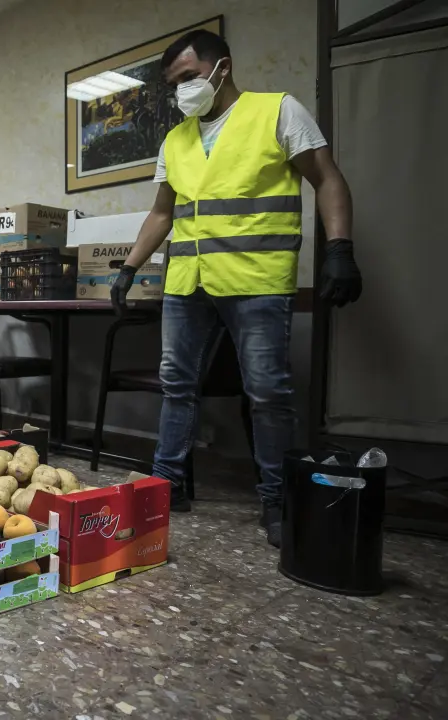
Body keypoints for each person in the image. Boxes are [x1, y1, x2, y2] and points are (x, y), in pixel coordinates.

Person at [111, 29, 363, 548]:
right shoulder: (176, 139)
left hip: (256, 278)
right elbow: (162, 213)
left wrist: (339, 247)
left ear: (221, 67)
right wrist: (129, 269)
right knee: (177, 385)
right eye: (174, 84)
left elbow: (327, 178)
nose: (182, 90)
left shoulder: (277, 112)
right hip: (188, 281)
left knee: (267, 392)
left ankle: (277, 500)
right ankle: (168, 486)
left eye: (188, 76)